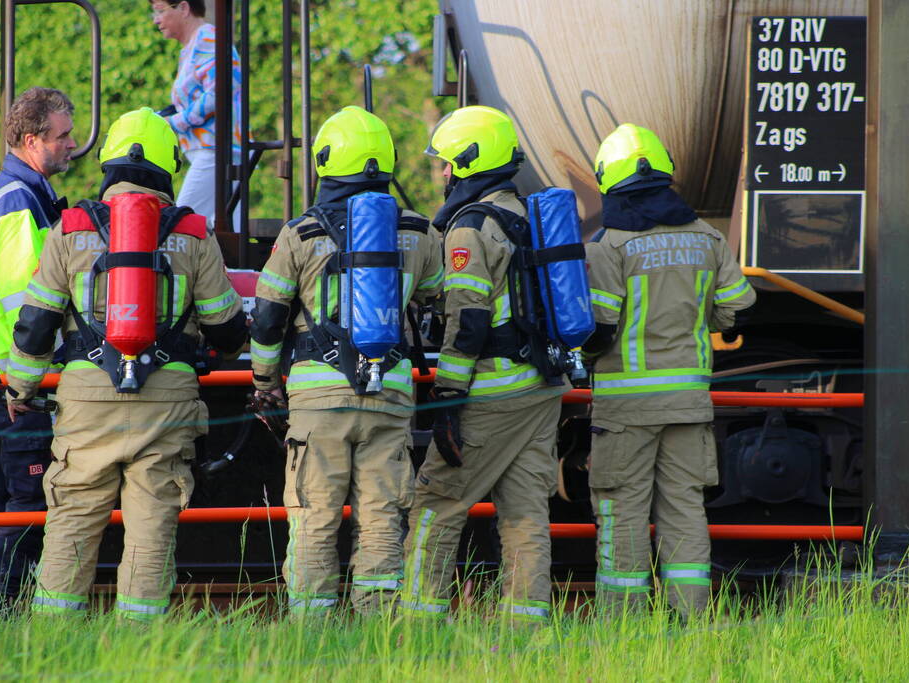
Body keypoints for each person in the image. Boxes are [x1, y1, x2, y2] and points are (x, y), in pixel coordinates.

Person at [5, 108, 248, 621]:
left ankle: (52, 636)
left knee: (72, 517)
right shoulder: (194, 235)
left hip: (86, 400)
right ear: (167, 167)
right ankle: (140, 645)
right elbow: (227, 330)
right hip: (167, 402)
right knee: (152, 523)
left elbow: (35, 324)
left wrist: (20, 389)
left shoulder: (69, 229)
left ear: (110, 163)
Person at [250, 106, 443, 616]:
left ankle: (311, 631)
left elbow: (268, 318)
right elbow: (436, 298)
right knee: (383, 516)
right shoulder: (421, 232)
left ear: (326, 163)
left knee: (315, 515)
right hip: (391, 395)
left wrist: (265, 381)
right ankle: (376, 627)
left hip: (318, 400)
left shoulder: (301, 232)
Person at [398, 105, 567, 624]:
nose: (443, 173)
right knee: (525, 514)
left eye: (447, 162)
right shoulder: (528, 217)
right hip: (541, 387)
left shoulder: (470, 227)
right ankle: (525, 631)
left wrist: (447, 398)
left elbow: (467, 320)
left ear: (470, 162)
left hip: (492, 392)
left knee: (436, 502)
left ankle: (417, 623)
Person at [583, 123, 756, 617]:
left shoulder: (609, 244)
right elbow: (737, 310)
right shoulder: (707, 238)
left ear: (608, 178)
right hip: (689, 402)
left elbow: (597, 328)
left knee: (623, 512)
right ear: (666, 173)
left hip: (625, 409)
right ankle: (691, 619)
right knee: (685, 510)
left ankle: (623, 626)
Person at [0, 86, 76, 609]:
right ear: (31, 140)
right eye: (63, 136)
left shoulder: (12, 193)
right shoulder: (19, 203)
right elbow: (27, 309)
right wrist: (34, 379)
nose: (72, 144)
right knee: (24, 500)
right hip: (7, 384)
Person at [151, 0, 242, 227]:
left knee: (180, 226)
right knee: (224, 232)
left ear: (184, 8)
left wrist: (173, 122)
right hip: (213, 151)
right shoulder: (191, 47)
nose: (156, 20)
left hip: (218, 151)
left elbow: (218, 93)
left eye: (161, 11)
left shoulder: (208, 40)